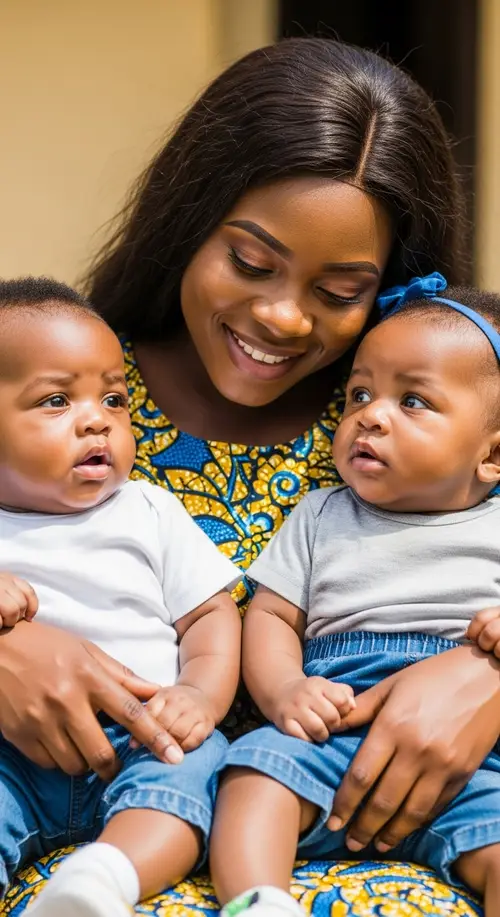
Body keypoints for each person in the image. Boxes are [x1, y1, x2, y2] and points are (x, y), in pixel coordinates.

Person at [1, 37, 496, 917]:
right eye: (252, 262)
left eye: (339, 291)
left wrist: (488, 677)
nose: (283, 315)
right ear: (189, 223)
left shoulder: (423, 437)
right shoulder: (57, 393)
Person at [210, 278, 500, 917]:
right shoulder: (321, 514)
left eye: (413, 400)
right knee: (253, 775)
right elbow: (271, 615)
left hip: (476, 759)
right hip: (331, 727)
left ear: (494, 454)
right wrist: (285, 689)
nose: (370, 414)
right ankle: (258, 903)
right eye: (360, 394)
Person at [0, 276, 241, 917]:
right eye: (56, 400)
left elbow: (209, 613)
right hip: (11, 749)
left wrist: (200, 695)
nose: (97, 419)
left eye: (114, 398)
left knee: (194, 773)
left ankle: (101, 881)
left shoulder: (148, 508)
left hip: (145, 734)